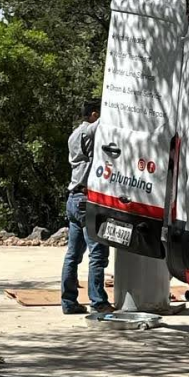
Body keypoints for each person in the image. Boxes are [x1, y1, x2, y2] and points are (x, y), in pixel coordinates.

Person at [60, 99, 111, 315]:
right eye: (98, 114)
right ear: (92, 115)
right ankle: (98, 301)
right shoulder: (89, 131)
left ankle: (68, 302)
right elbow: (107, 121)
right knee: (97, 253)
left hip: (73, 199)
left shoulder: (74, 134)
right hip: (85, 199)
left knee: (73, 255)